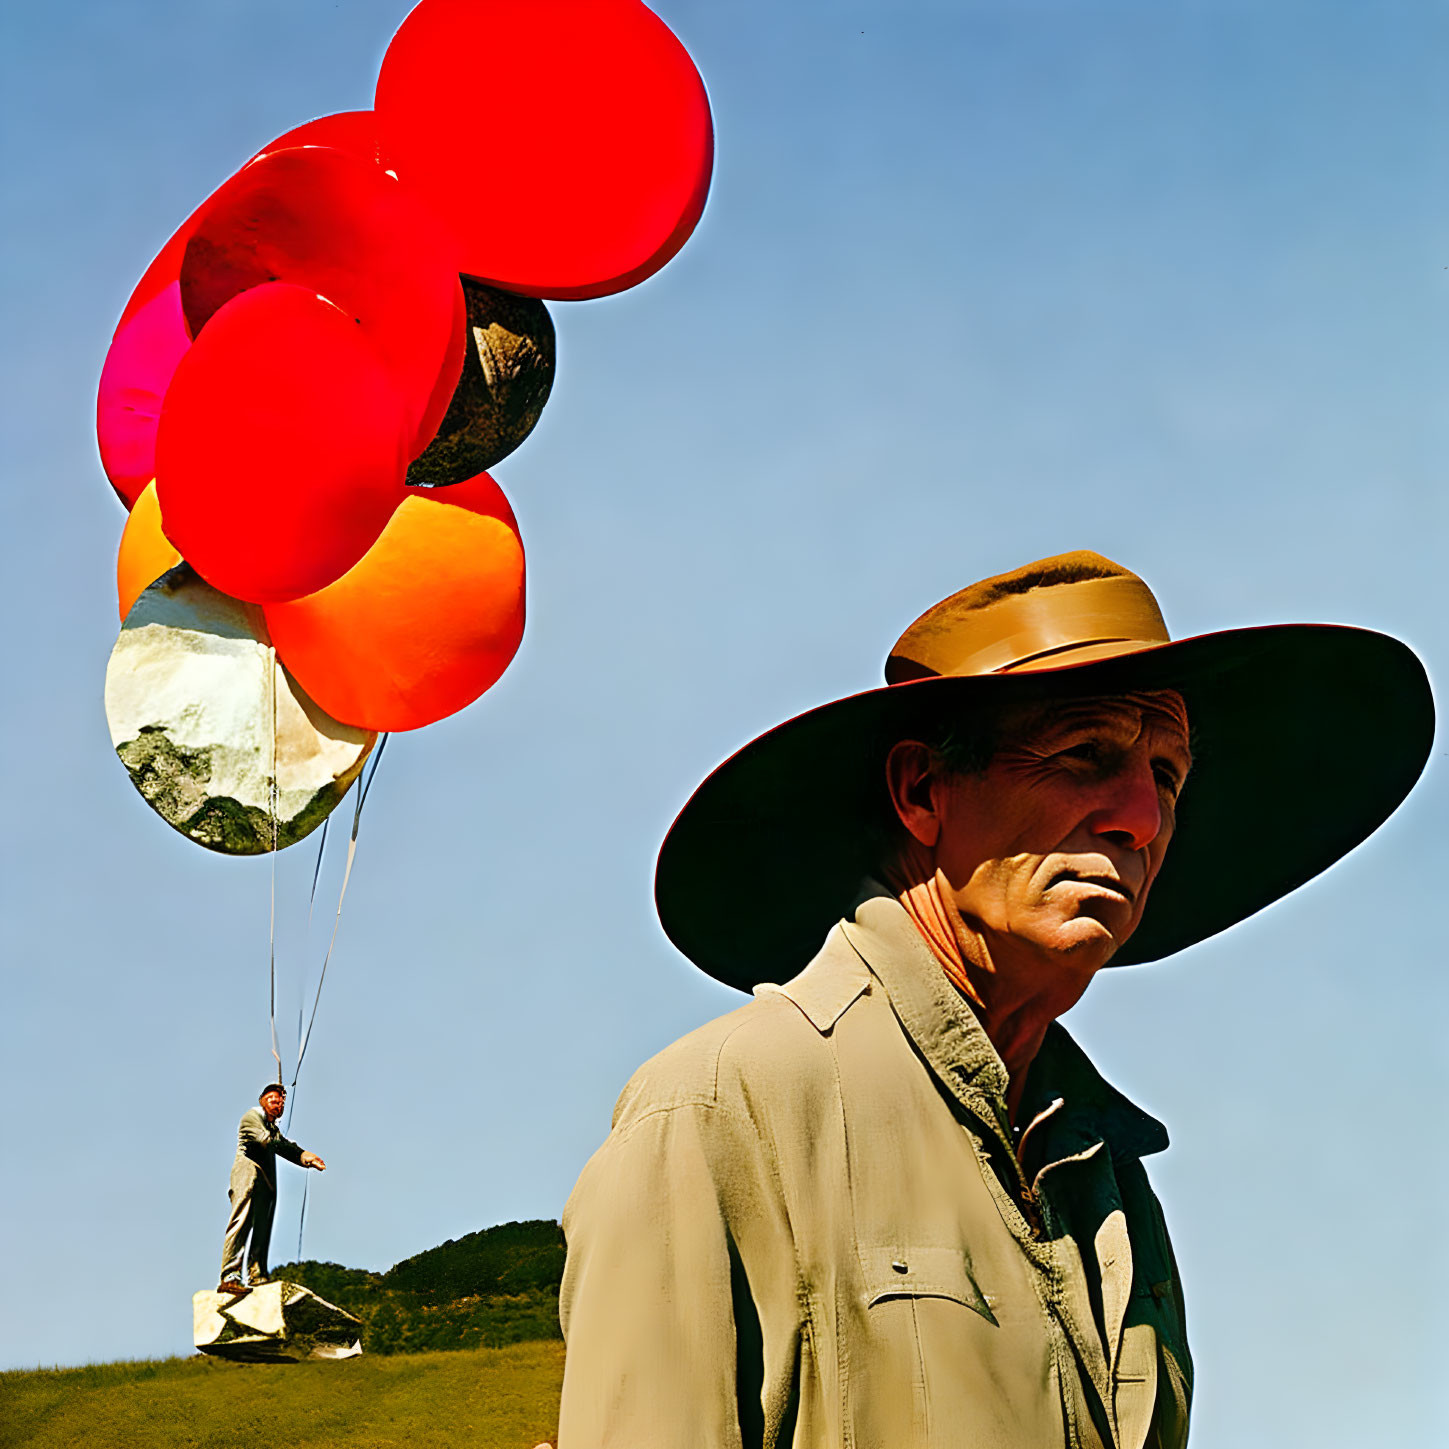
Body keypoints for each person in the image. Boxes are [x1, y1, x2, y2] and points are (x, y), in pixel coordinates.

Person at [556, 551, 1433, 1449]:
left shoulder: (1109, 1175)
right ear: (922, 790)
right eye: (1084, 753)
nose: (1140, 815)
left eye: (1166, 773)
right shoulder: (719, 1107)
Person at [218, 1083, 325, 1294]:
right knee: (241, 1220)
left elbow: (281, 1142)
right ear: (262, 1100)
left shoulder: (271, 1128)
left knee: (262, 1227)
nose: (278, 1104)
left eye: (282, 1102)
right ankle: (230, 1275)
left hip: (264, 1185)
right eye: (274, 1099)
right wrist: (299, 1153)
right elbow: (270, 1142)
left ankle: (257, 1274)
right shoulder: (252, 1117)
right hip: (246, 1175)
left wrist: (306, 1157)